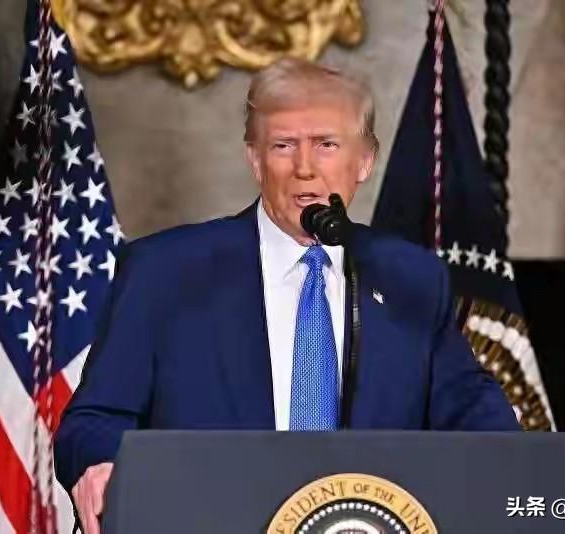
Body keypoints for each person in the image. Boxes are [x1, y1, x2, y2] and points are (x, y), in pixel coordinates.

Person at [54, 58, 519, 533]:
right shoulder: (166, 271)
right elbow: (93, 421)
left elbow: (472, 410)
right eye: (283, 146)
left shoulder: (409, 277)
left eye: (326, 145)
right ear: (255, 160)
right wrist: (99, 464)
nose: (304, 169)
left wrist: (521, 467)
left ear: (364, 161)